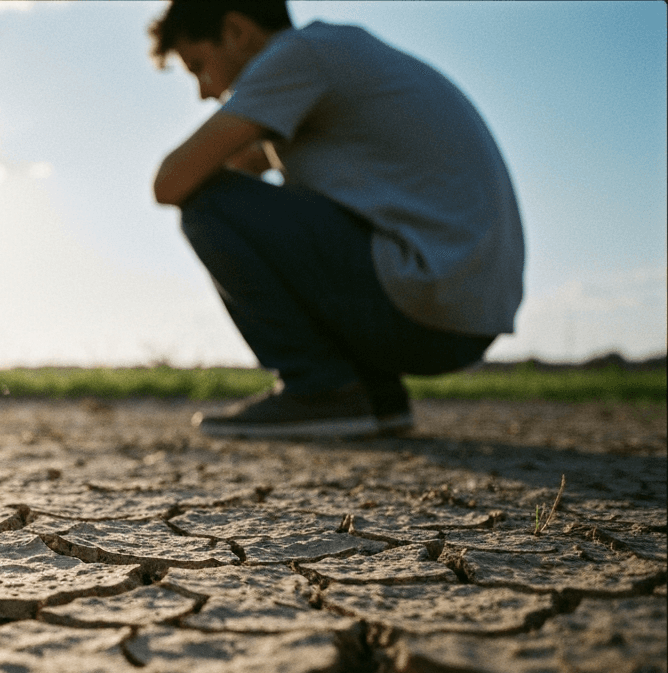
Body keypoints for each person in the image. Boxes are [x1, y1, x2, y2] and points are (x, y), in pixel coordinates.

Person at [149, 1, 523, 438]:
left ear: (236, 31)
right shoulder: (332, 54)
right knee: (255, 203)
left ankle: (320, 388)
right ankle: (375, 396)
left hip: (421, 300)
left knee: (207, 204)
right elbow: (247, 166)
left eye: (199, 66)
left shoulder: (295, 55)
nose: (204, 92)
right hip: (460, 312)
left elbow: (170, 182)